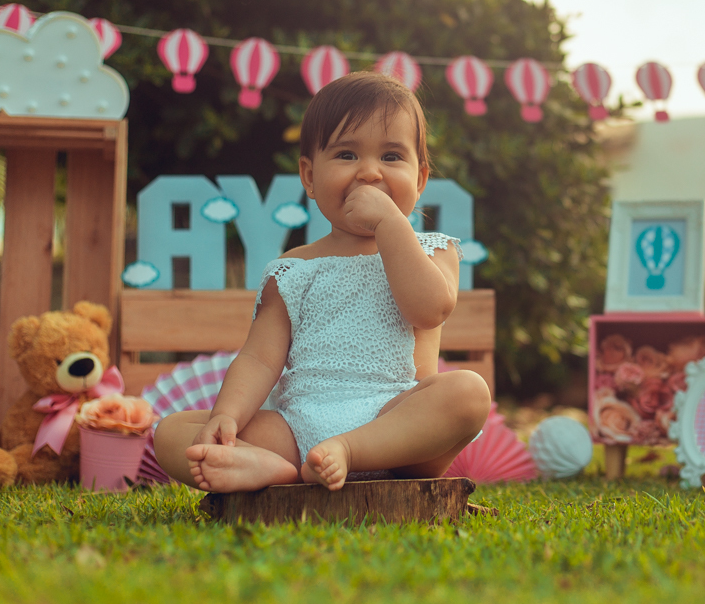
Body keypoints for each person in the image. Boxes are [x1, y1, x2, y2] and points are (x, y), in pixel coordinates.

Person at [153, 73, 491, 492]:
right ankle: (272, 468)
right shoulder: (292, 269)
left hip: (397, 430)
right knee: (171, 432)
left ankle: (348, 450)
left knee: (469, 392)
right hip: (298, 432)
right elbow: (259, 360)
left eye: (390, 157)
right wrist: (229, 416)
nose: (369, 173)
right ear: (310, 177)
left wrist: (390, 224)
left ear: (420, 181)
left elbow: (429, 308)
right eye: (347, 155)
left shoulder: (432, 251)